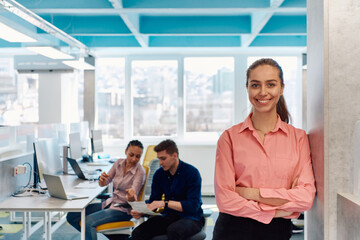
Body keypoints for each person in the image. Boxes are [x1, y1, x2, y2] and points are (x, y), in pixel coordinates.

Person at [212, 58, 316, 240]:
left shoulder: (298, 138)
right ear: (247, 88)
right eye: (255, 85)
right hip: (232, 229)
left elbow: (305, 197)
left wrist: (249, 193)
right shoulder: (229, 138)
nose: (263, 92)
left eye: (271, 84)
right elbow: (225, 200)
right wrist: (277, 210)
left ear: (281, 88)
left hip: (276, 232)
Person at [66, 140, 146, 240]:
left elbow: (133, 196)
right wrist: (102, 180)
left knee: (87, 222)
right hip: (109, 203)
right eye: (131, 154)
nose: (134, 159)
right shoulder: (118, 163)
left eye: (137, 156)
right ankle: (97, 235)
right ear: (126, 151)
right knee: (72, 216)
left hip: (123, 209)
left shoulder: (140, 171)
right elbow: (105, 181)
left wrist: (131, 196)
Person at [130, 139, 204, 240]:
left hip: (192, 218)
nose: (160, 163)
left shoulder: (192, 173)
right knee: (138, 233)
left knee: (174, 230)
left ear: (174, 156)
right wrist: (142, 210)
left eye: (163, 159)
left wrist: (165, 203)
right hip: (170, 216)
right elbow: (154, 201)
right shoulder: (159, 174)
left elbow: (192, 207)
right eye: (159, 159)